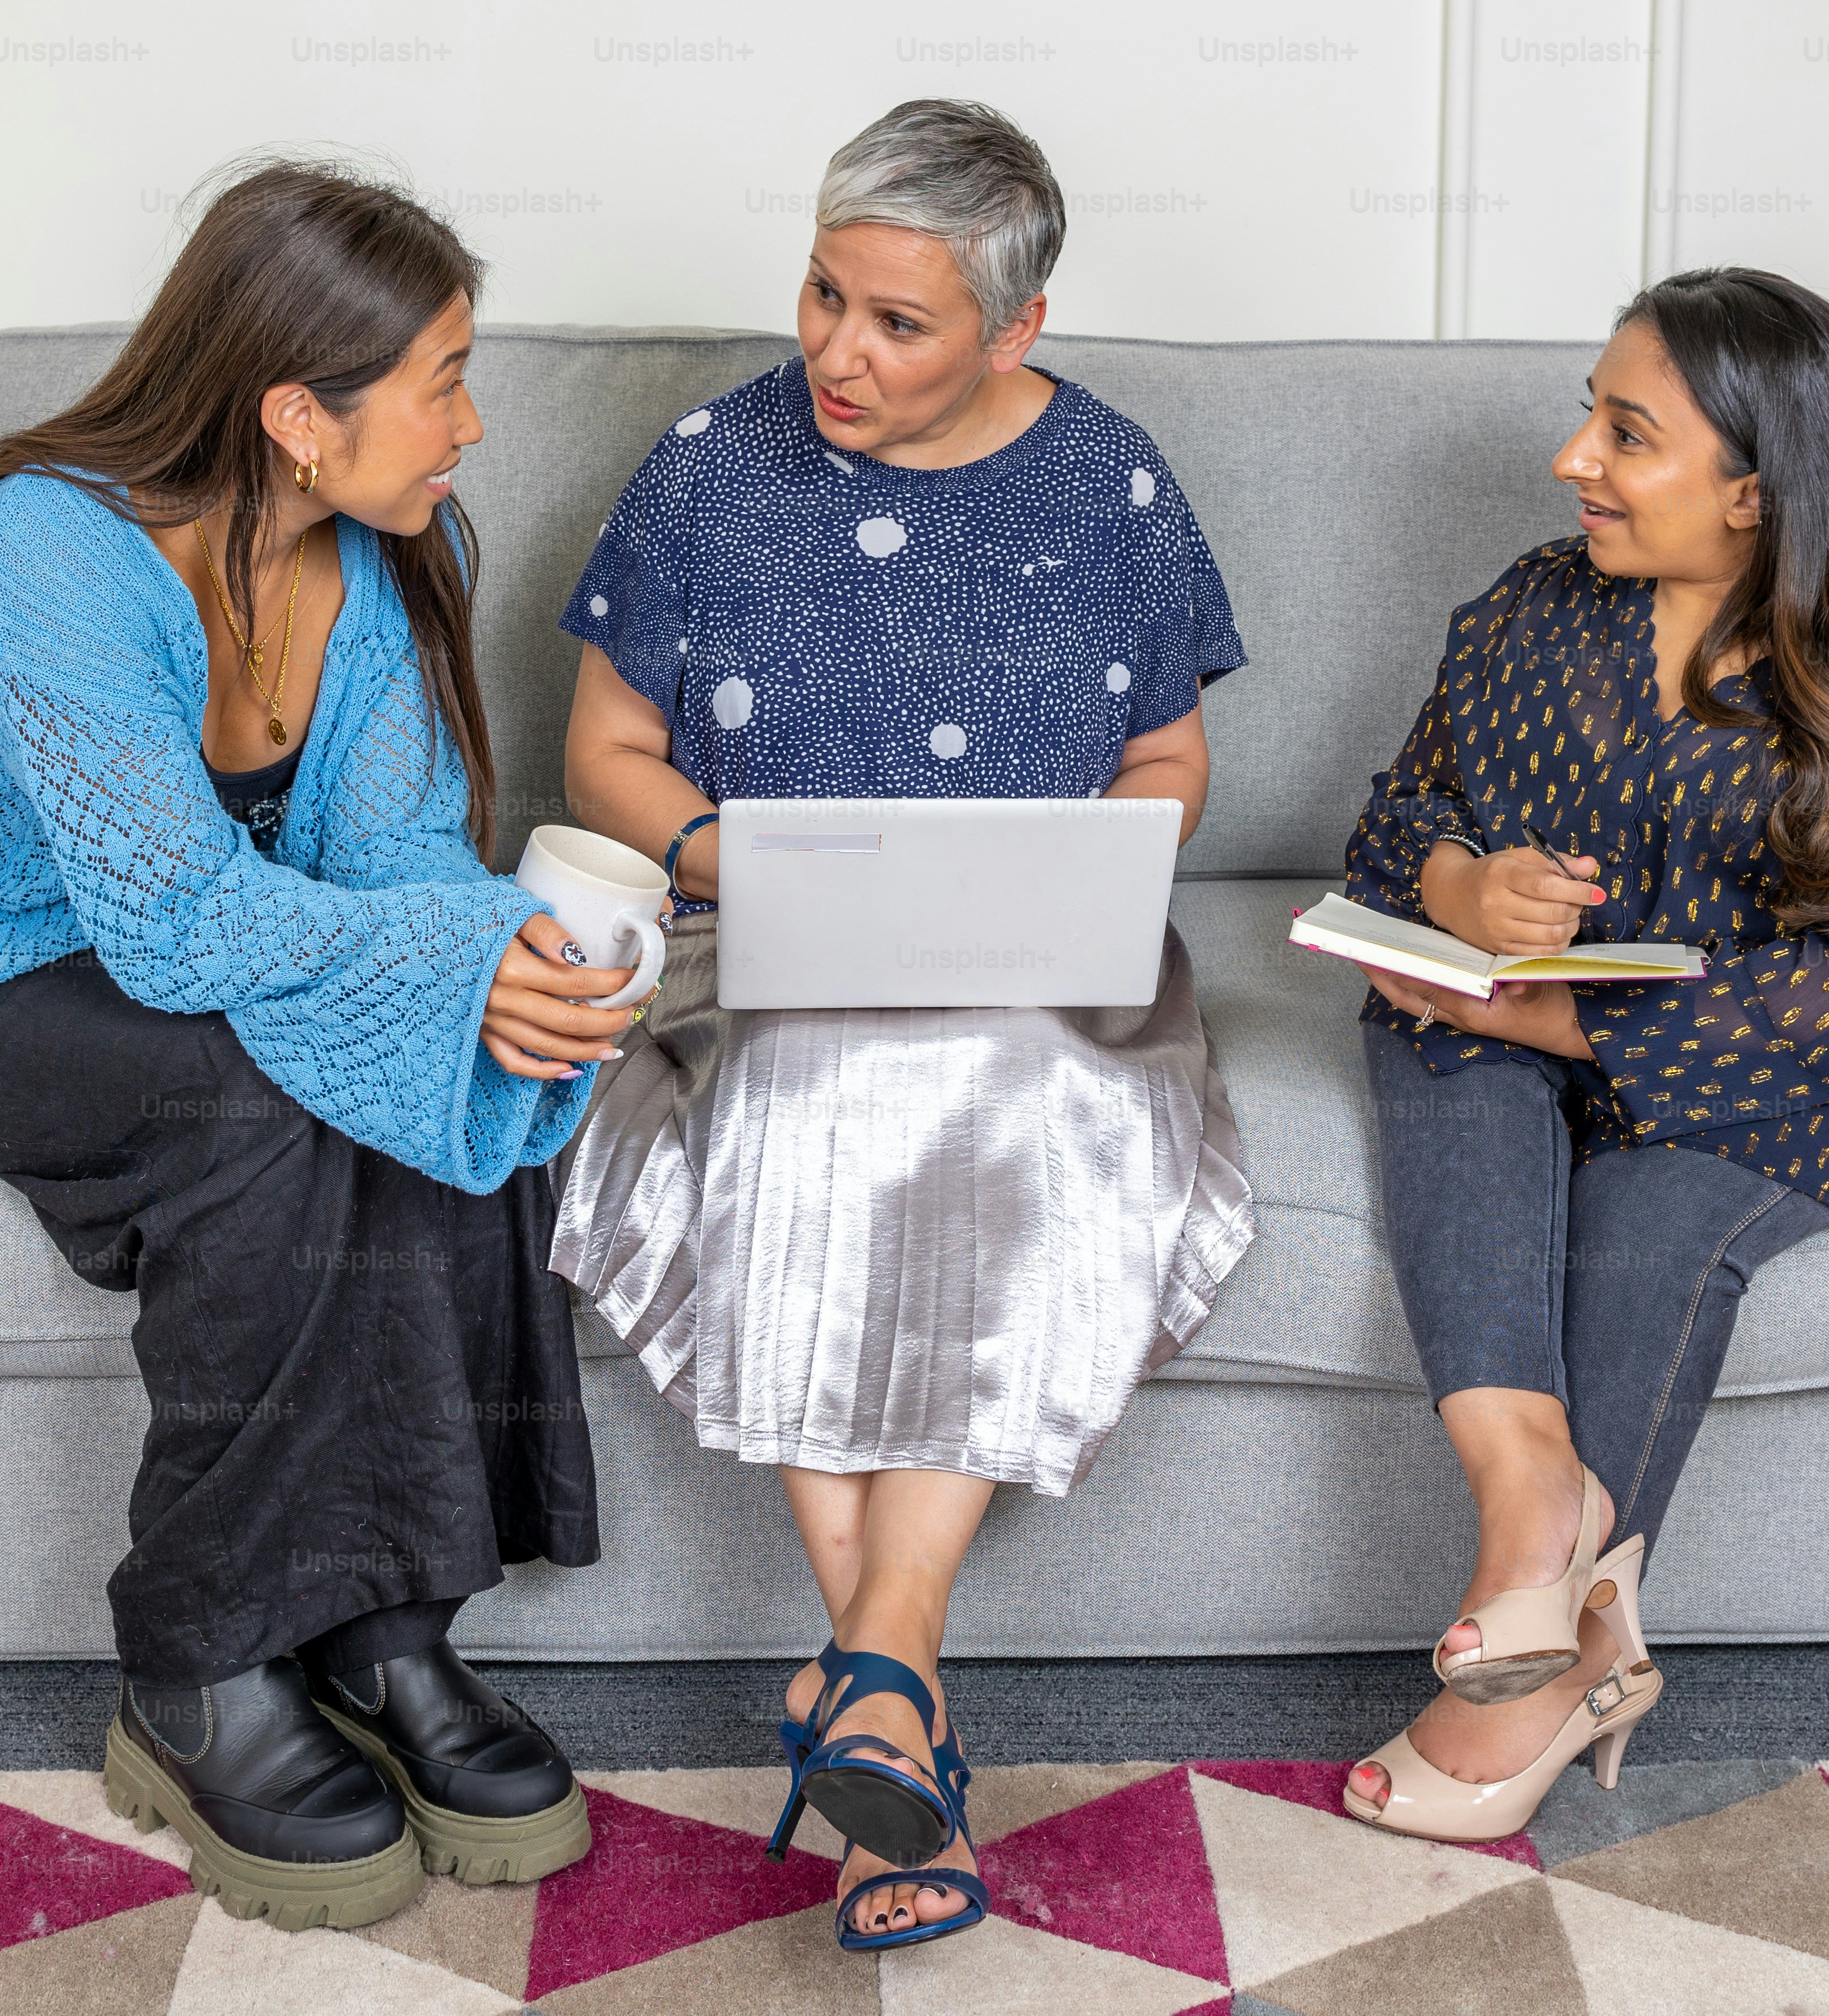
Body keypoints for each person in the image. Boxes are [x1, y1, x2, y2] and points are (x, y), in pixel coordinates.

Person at [0, 161, 636, 1928]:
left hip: (195, 965)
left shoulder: (404, 547)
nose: (474, 427)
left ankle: (386, 1632)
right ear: (295, 416)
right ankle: (198, 1666)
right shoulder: (49, 544)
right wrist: (458, 953)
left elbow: (399, 860)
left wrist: (498, 971)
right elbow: (170, 922)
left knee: (438, 1061)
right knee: (270, 1089)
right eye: (446, 381)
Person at [552, 100, 1256, 1949]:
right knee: (807, 1083)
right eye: (823, 295)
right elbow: (606, 752)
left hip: (1043, 978)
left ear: (1018, 331)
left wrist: (1094, 865)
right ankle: (893, 1694)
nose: (835, 354)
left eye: (897, 323)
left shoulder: (1113, 484)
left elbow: (1171, 756)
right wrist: (723, 857)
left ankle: (875, 1673)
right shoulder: (708, 466)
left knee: (1015, 1084)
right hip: (757, 959)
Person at [1335, 267, 1829, 1841]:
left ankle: (1559, 1664)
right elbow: (1401, 820)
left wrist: (1547, 1010)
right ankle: (1536, 1510)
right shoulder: (1535, 609)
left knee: (1647, 1225)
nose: (1574, 456)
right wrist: (1461, 891)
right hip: (1513, 1017)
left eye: (1624, 431)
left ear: (1758, 493)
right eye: (1592, 412)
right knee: (1437, 1041)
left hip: (1782, 1067)